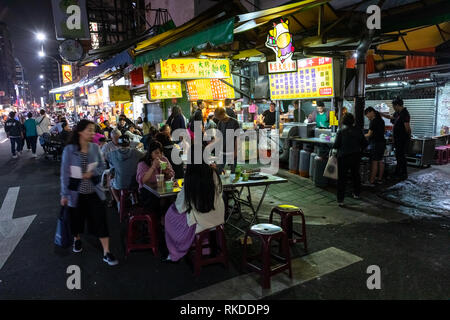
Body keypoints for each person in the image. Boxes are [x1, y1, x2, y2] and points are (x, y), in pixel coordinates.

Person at [60, 119, 118, 266]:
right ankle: (77, 239)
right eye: (89, 130)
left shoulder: (94, 148)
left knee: (101, 221)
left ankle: (107, 252)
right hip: (75, 193)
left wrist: (91, 173)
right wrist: (64, 194)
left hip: (94, 192)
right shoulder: (69, 150)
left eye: (93, 130)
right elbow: (64, 174)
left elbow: (102, 166)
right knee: (76, 221)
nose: (93, 133)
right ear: (80, 131)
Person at [163, 146, 225, 262]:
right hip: (218, 216)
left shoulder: (190, 177)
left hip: (200, 221)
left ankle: (180, 248)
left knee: (169, 216)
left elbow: (181, 204)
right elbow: (220, 194)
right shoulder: (213, 173)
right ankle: (206, 247)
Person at [332, 113, 368, 206]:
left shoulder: (341, 131)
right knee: (355, 175)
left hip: (343, 157)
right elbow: (364, 143)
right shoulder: (358, 131)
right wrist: (359, 150)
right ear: (353, 121)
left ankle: (341, 200)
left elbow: (336, 145)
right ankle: (356, 194)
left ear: (343, 121)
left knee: (342, 179)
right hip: (355, 156)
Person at [107, 135, 145, 211]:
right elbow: (145, 156)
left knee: (110, 179)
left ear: (118, 144)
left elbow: (108, 160)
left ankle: (118, 201)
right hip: (135, 183)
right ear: (129, 144)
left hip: (120, 184)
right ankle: (133, 197)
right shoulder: (136, 152)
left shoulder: (112, 154)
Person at [136, 141, 175, 213]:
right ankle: (161, 218)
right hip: (147, 192)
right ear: (150, 153)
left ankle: (168, 218)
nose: (159, 155)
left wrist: (167, 172)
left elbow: (172, 175)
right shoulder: (143, 163)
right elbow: (142, 181)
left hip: (163, 189)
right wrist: (153, 167)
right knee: (159, 200)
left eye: (161, 152)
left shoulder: (164, 159)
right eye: (156, 153)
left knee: (175, 197)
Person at [380, 98, 411, 180]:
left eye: (393, 106)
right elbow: (390, 117)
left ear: (397, 105)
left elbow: (407, 128)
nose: (393, 107)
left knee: (401, 157)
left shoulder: (405, 114)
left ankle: (402, 174)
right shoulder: (398, 113)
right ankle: (398, 173)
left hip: (402, 139)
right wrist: (381, 114)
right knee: (398, 156)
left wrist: (407, 140)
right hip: (397, 139)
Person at [214, 106, 241, 173]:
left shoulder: (234, 122)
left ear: (223, 114)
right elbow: (218, 137)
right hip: (222, 151)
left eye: (219, 117)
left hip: (232, 150)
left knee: (233, 172)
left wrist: (235, 152)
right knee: (219, 170)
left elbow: (237, 138)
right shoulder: (220, 123)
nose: (218, 119)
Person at [364, 107, 386, 186]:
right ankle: (379, 179)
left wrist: (361, 136)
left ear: (371, 112)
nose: (367, 117)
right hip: (382, 142)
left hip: (376, 143)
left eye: (367, 115)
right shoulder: (381, 120)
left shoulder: (373, 121)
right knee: (380, 160)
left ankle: (371, 181)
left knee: (374, 162)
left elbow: (369, 134)